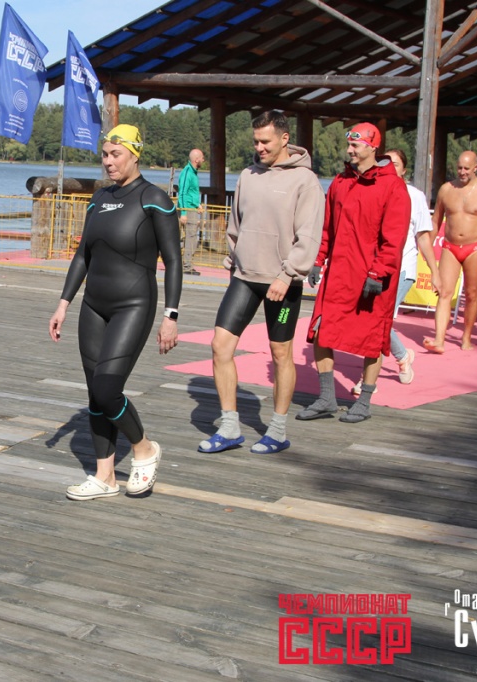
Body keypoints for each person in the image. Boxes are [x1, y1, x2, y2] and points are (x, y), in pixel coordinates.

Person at [49, 123, 181, 500]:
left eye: (116, 155)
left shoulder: (154, 198)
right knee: (95, 392)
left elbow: (173, 261)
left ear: (135, 155)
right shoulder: (98, 198)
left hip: (133, 304)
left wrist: (170, 316)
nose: (108, 162)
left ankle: (144, 448)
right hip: (94, 305)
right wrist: (63, 304)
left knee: (108, 389)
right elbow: (83, 255)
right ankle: (104, 476)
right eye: (105, 155)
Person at [197, 111, 322, 455]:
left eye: (265, 141)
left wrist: (287, 275)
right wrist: (233, 259)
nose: (259, 147)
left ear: (284, 139)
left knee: (281, 353)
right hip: (245, 278)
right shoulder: (248, 176)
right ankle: (229, 427)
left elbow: (309, 236)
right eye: (255, 141)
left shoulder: (305, 181)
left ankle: (277, 431)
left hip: (283, 284)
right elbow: (236, 225)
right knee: (220, 346)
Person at [297, 122, 409, 424]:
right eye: (349, 144)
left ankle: (364, 401)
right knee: (321, 331)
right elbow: (327, 227)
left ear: (373, 147)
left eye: (355, 145)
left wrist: (379, 272)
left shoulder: (393, 186)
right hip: (338, 274)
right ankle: (326, 398)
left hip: (373, 277)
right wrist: (318, 259)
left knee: (373, 339)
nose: (349, 150)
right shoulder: (340, 181)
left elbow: (394, 238)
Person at [351, 148, 439, 393]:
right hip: (374, 268)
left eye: (395, 164)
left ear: (404, 170)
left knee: (378, 320)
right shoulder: (373, 189)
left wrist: (435, 272)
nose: (389, 167)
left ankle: (367, 380)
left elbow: (423, 237)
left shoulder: (414, 196)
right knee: (373, 319)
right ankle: (402, 356)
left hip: (402, 268)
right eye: (384, 162)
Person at [426, 151, 477, 353]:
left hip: (475, 247)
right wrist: (428, 246)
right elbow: (435, 221)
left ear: (475, 168)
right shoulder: (446, 189)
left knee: (471, 294)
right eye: (459, 167)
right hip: (450, 246)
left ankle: (466, 336)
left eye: (466, 169)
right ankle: (439, 339)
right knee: (444, 292)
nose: (462, 172)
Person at [177, 148, 205, 275]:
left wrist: (197, 204)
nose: (203, 160)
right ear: (196, 159)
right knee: (190, 237)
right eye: (202, 158)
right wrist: (183, 213)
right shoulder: (187, 172)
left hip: (192, 208)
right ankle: (186, 266)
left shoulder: (193, 173)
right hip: (187, 209)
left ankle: (187, 264)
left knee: (192, 238)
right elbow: (182, 193)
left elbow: (192, 193)